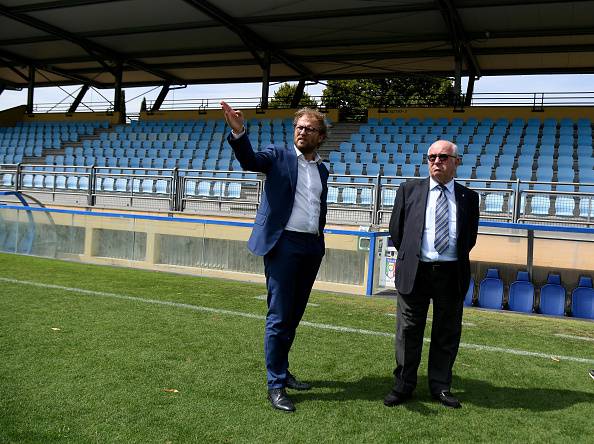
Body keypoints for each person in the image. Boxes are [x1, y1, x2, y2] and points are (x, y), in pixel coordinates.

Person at [221, 101, 329, 412]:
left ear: (320, 136)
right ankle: (276, 384)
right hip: (283, 245)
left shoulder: (322, 168)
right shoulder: (278, 154)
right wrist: (239, 132)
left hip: (311, 246)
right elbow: (250, 160)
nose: (302, 131)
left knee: (293, 315)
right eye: (299, 127)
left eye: (309, 128)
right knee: (280, 316)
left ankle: (283, 370)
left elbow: (317, 210)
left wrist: (318, 239)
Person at [384, 139, 479, 409]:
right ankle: (404, 384)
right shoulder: (408, 190)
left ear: (456, 162)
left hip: (451, 273)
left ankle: (440, 386)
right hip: (416, 271)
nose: (436, 161)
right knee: (408, 331)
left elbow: (469, 238)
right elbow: (397, 231)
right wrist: (414, 256)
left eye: (443, 157)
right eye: (432, 157)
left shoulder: (469, 198)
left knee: (446, 332)